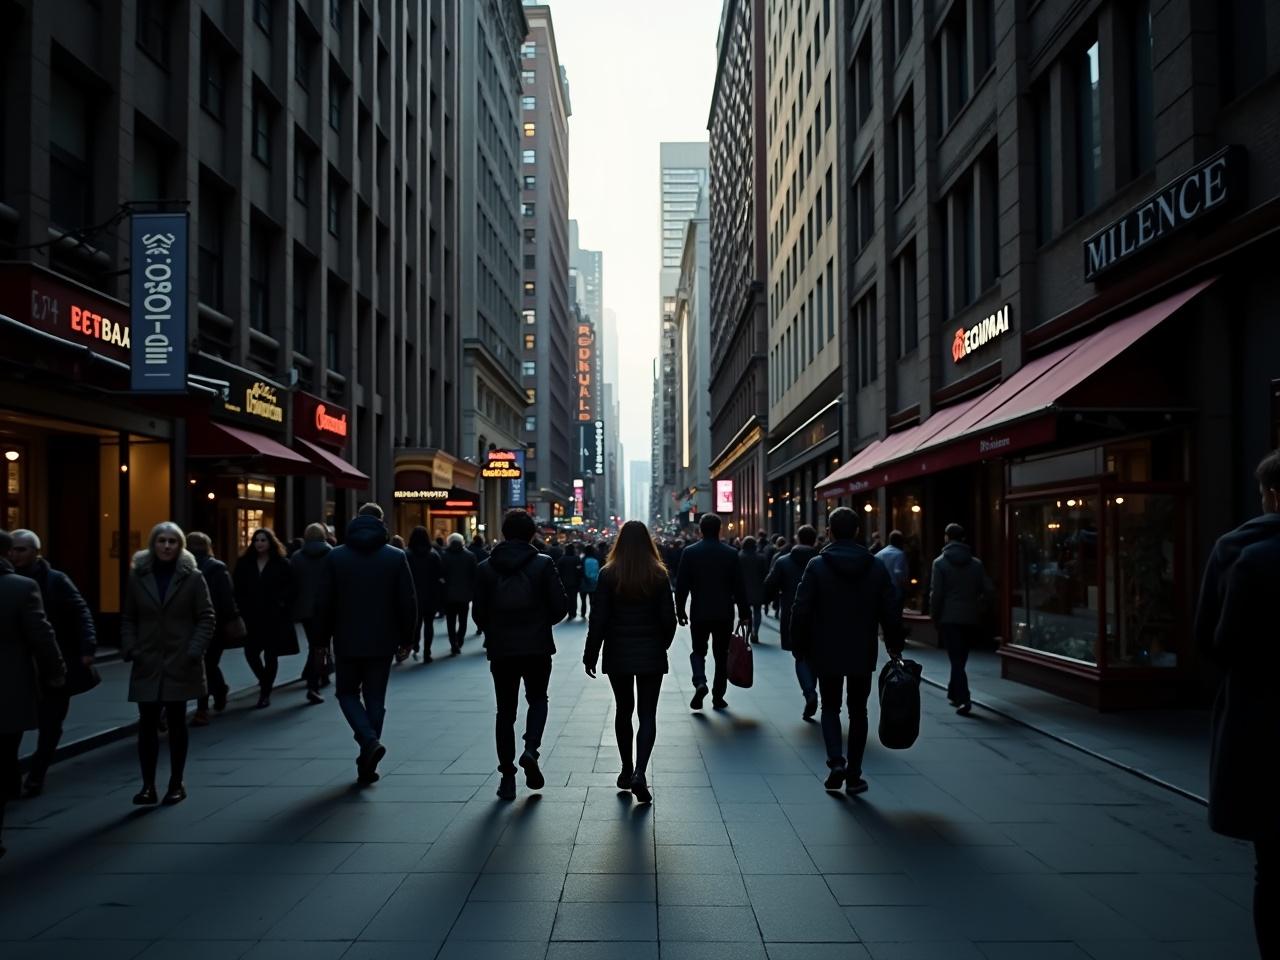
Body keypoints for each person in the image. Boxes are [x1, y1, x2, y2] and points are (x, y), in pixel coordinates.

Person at [1198, 450, 1280, 959]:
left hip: (1264, 726)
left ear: (1271, 494)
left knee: (1271, 865)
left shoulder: (1241, 552)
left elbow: (1213, 642)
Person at [791, 507, 902, 796]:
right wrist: (894, 644)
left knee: (830, 706)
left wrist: (799, 645)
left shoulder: (817, 566)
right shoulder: (875, 566)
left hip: (826, 648)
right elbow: (890, 609)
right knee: (858, 710)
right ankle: (854, 774)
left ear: (829, 531)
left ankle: (835, 763)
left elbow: (800, 608)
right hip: (861, 648)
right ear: (856, 531)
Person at [315, 506, 416, 785]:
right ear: (381, 524)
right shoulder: (395, 557)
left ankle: (368, 743)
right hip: (382, 639)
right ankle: (368, 754)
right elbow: (407, 601)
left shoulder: (335, 557)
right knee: (375, 699)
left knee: (346, 693)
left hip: (346, 638)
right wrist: (407, 638)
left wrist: (321, 641)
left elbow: (323, 603)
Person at [472, 509, 568, 801]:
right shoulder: (543, 564)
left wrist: (496, 629)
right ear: (531, 535)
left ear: (503, 533)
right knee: (538, 699)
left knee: (505, 712)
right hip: (537, 646)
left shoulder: (486, 567)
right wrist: (539, 623)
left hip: (502, 649)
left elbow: (478, 613)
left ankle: (507, 778)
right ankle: (531, 749)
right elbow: (560, 607)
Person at [122, 523, 215, 806]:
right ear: (153, 544)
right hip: (148, 659)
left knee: (176, 722)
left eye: (172, 541)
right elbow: (128, 616)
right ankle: (148, 785)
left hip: (180, 659)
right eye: (161, 541)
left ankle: (176, 782)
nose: (166, 546)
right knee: (147, 724)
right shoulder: (138, 576)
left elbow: (206, 616)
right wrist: (131, 648)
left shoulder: (192, 577)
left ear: (180, 546)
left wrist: (194, 649)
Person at [583, 521, 677, 803]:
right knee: (648, 713)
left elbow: (598, 618)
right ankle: (640, 772)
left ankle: (625, 768)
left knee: (624, 710)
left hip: (618, 652)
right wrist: (661, 645)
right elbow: (668, 620)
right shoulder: (658, 574)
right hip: (650, 653)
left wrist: (591, 653)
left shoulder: (608, 573)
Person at [8, 530, 96, 796]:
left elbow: (81, 611)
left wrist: (87, 645)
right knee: (12, 725)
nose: (15, 554)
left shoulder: (55, 580)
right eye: (12, 549)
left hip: (53, 661)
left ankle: (37, 773)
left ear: (36, 551)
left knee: (51, 723)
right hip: (20, 665)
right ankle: (11, 777)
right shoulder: (8, 581)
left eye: (22, 549)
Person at [0, 529, 65, 858]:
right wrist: (55, 671)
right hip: (10, 681)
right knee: (6, 746)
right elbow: (41, 634)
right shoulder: (22, 587)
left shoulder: (38, 582)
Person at [675, 513, 749, 711]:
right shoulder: (731, 553)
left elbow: (681, 584)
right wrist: (744, 612)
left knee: (698, 650)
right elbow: (739, 587)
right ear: (719, 529)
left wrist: (679, 609)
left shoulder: (690, 552)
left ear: (700, 530)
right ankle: (718, 696)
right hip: (724, 612)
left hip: (699, 611)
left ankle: (700, 681)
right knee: (721, 654)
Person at [928, 523, 990, 716]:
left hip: (949, 617)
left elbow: (936, 594)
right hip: (970, 616)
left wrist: (934, 615)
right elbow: (989, 590)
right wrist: (980, 608)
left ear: (947, 538)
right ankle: (954, 693)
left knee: (956, 659)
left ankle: (963, 698)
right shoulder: (976, 564)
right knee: (960, 658)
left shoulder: (939, 563)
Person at [233, 529, 296, 709]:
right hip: (251, 617)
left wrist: (281, 603)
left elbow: (292, 587)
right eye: (256, 540)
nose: (259, 543)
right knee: (251, 653)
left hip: (273, 617)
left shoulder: (282, 563)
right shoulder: (245, 563)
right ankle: (264, 680)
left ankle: (265, 693)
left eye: (263, 540)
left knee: (271, 655)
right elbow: (237, 587)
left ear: (270, 542)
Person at [763, 524, 821, 719]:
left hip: (793, 615)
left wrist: (767, 600)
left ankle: (809, 692)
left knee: (800, 656)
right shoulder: (823, 562)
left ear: (796, 538)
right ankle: (812, 688)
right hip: (820, 616)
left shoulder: (783, 561)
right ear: (814, 540)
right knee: (816, 654)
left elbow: (770, 585)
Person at [187, 532, 240, 726]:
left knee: (205, 665)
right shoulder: (217, 567)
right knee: (208, 664)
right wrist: (232, 618)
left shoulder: (193, 567)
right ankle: (215, 694)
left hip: (197, 623)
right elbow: (227, 597)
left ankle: (205, 705)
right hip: (215, 623)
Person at [291, 523, 333, 703]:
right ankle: (314, 682)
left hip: (305, 608)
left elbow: (292, 583)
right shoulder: (332, 554)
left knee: (315, 644)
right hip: (327, 606)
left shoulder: (297, 557)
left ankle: (319, 674)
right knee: (321, 644)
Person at [406, 526, 443, 660]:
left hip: (413, 595)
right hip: (430, 595)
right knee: (429, 624)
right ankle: (427, 651)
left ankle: (415, 644)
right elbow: (440, 576)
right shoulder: (433, 555)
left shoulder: (407, 555)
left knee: (416, 623)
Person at [440, 532, 478, 654]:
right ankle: (460, 639)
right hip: (465, 594)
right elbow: (474, 576)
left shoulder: (444, 556)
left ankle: (453, 643)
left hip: (448, 594)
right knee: (463, 620)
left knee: (450, 621)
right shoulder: (470, 556)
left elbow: (440, 575)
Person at [737, 536, 770, 644]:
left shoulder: (739, 557)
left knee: (745, 612)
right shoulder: (761, 557)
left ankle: (747, 632)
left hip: (743, 590)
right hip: (758, 588)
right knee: (757, 611)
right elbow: (766, 573)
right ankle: (755, 632)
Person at [876, 530, 910, 613]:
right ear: (900, 541)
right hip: (895, 591)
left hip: (880, 590)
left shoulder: (879, 554)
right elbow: (898, 572)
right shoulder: (899, 554)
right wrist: (905, 585)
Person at [556, 543, 584, 618]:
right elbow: (580, 571)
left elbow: (558, 571)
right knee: (573, 598)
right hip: (574, 582)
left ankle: (567, 612)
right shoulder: (576, 558)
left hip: (564, 582)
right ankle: (573, 612)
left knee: (566, 598)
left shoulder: (562, 559)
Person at [580, 544, 601, 616]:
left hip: (584, 583)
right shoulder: (596, 560)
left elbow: (581, 571)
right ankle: (592, 613)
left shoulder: (583, 559)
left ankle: (583, 613)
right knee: (592, 601)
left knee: (583, 600)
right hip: (594, 583)